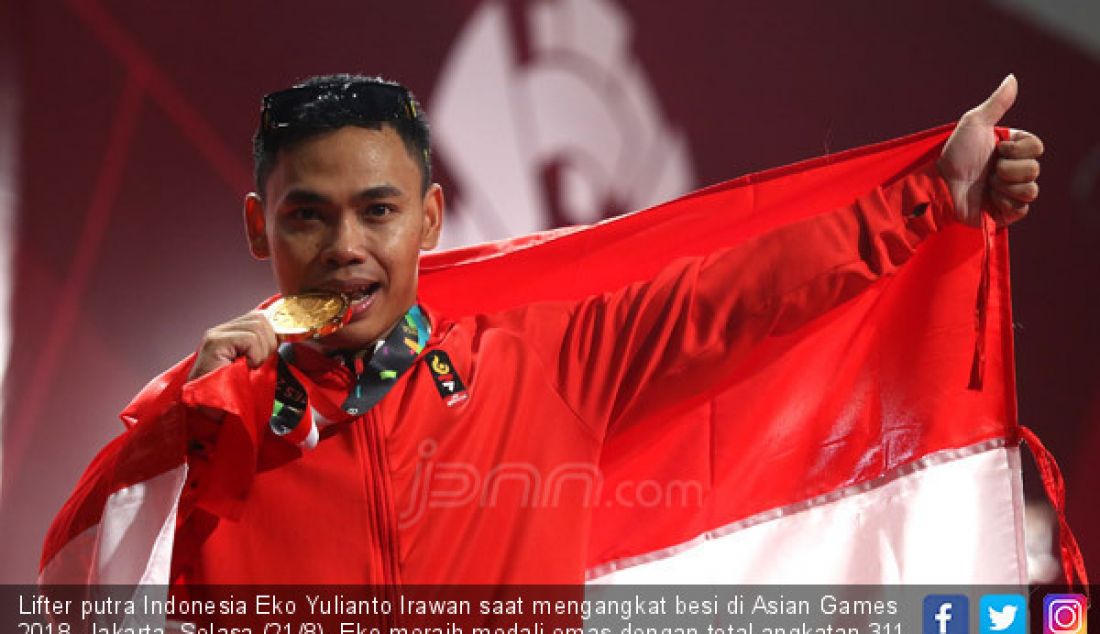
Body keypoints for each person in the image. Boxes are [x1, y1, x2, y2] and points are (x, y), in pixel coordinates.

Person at [41, 73, 1044, 586]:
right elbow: (81, 582)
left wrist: (923, 201)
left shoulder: (546, 364)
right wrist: (176, 429)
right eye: (308, 214)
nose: (345, 245)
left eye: (377, 211)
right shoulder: (210, 427)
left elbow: (738, 292)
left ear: (428, 219)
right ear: (261, 228)